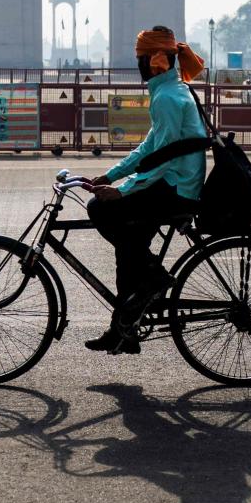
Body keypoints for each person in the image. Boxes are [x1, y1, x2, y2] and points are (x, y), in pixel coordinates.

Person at [85, 26, 208, 354]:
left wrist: (123, 191)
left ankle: (155, 278)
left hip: (176, 187)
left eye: (140, 58)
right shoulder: (169, 91)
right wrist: (111, 176)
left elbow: (162, 159)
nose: (137, 64)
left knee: (100, 210)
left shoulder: (167, 97)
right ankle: (123, 328)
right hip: (175, 182)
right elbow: (151, 148)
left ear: (154, 60)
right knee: (128, 248)